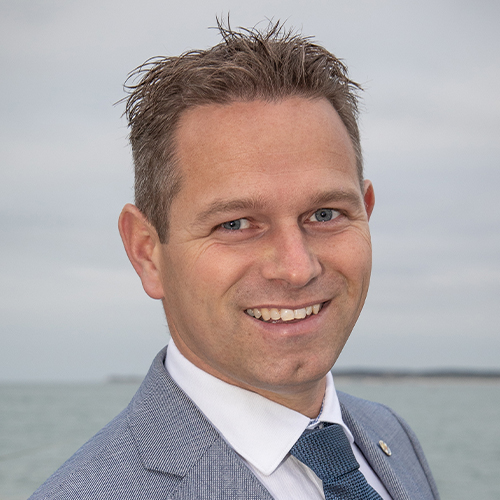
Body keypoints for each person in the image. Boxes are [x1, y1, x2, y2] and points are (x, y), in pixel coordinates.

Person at [30, 21, 440, 500]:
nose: (297, 268)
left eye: (325, 214)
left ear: (365, 211)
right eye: (236, 224)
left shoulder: (389, 434)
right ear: (147, 252)